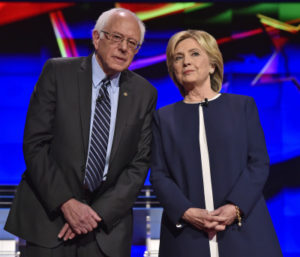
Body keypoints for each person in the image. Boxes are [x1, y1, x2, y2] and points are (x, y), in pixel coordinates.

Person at [5, 8, 157, 257]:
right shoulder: (57, 72)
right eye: (116, 38)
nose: (124, 48)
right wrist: (66, 202)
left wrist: (95, 215)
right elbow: (35, 144)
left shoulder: (144, 93)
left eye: (132, 43)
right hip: (49, 220)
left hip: (106, 230)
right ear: (97, 38)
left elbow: (138, 165)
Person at [150, 30, 282, 257]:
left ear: (212, 65)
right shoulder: (163, 118)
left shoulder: (242, 106)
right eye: (178, 57)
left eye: (194, 54)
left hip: (244, 229)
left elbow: (258, 163)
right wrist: (186, 211)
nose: (186, 61)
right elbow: (159, 175)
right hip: (186, 237)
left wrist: (235, 206)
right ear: (173, 69)